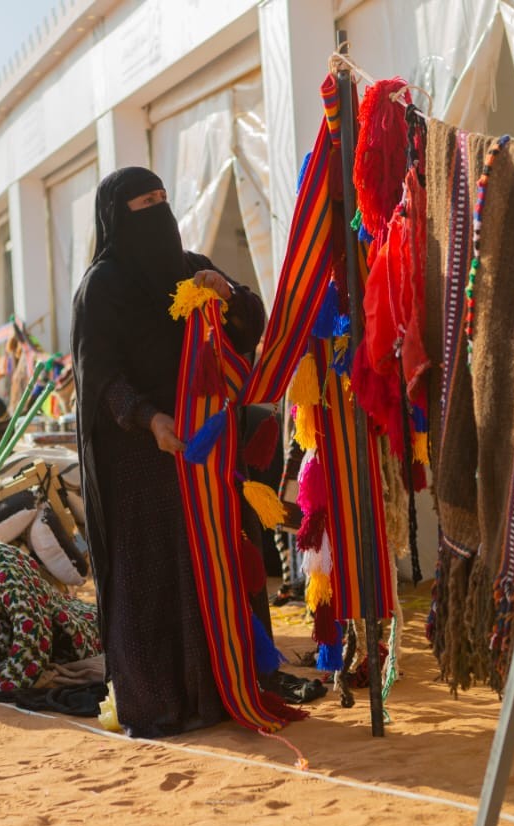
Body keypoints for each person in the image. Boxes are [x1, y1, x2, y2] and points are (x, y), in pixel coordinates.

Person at [73, 168, 317, 738]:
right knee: (158, 573)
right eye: (146, 202)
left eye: (164, 197)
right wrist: (148, 417)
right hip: (140, 456)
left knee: (221, 561)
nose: (160, 208)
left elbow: (250, 325)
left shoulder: (192, 268)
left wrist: (228, 293)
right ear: (118, 215)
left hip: (209, 451)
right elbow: (99, 375)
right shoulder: (102, 286)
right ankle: (165, 697)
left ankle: (228, 683)